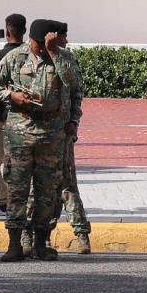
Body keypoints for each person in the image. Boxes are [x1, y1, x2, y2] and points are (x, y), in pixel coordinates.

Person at [0, 20, 76, 262]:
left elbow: (72, 84)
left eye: (44, 44)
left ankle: (40, 243)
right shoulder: (16, 57)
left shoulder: (63, 57)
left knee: (47, 191)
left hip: (51, 135)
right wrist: (10, 95)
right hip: (20, 134)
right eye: (39, 44)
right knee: (17, 189)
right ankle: (14, 243)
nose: (41, 48)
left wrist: (54, 51)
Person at [43, 21, 90, 254]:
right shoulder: (27, 58)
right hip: (38, 136)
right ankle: (44, 235)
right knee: (43, 188)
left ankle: (81, 235)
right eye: (63, 36)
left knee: (68, 184)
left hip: (62, 133)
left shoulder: (66, 58)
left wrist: (73, 122)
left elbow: (75, 89)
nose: (66, 41)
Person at [0, 14, 26, 216]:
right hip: (26, 117)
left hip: (2, 115)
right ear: (24, 31)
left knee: (3, 160)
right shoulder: (30, 54)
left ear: (7, 31)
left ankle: (5, 200)